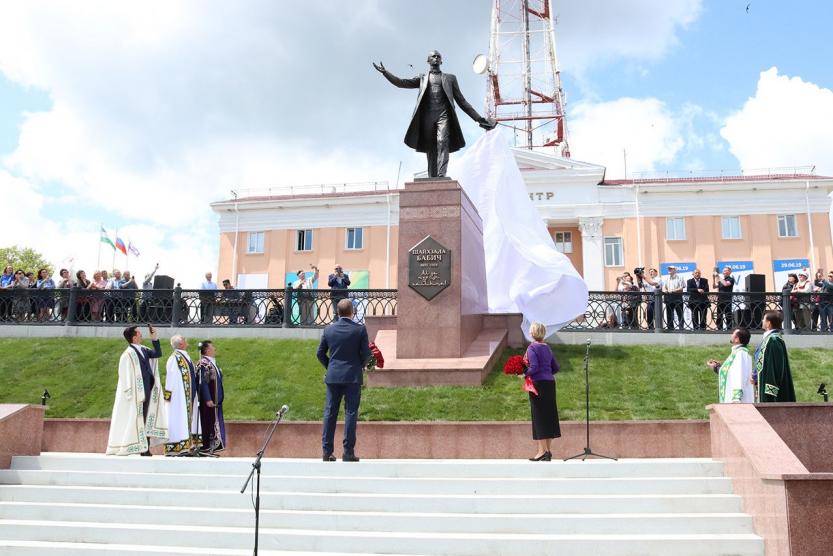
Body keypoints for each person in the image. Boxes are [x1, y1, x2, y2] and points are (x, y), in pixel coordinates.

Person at [373, 50, 495, 178]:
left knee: (442, 141)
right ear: (428, 61)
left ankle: (442, 175)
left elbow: (462, 101)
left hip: (443, 115)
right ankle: (432, 177)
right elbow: (401, 83)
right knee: (430, 148)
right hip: (427, 116)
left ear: (441, 61)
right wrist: (385, 73)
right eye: (433, 56)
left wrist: (479, 119)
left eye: (438, 56)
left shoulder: (450, 78)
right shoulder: (422, 78)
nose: (436, 58)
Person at [317, 298, 371, 462]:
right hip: (352, 377)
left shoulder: (328, 330)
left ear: (338, 312)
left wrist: (331, 367)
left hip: (333, 377)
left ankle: (327, 452)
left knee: (330, 413)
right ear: (352, 312)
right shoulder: (360, 330)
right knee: (350, 413)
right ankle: (348, 452)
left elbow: (320, 354)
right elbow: (367, 354)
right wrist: (359, 365)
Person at [106, 325, 168, 456]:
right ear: (134, 337)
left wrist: (154, 338)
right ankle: (141, 447)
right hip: (137, 393)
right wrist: (130, 392)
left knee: (146, 418)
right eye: (139, 333)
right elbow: (125, 375)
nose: (141, 335)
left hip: (148, 390)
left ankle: (145, 447)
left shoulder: (144, 350)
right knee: (138, 419)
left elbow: (158, 354)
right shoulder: (127, 354)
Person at [523, 322, 561, 461]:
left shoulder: (532, 348)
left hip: (538, 385)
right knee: (549, 416)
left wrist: (524, 373)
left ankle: (543, 452)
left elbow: (534, 367)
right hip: (550, 384)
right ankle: (547, 451)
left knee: (539, 417)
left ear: (532, 333)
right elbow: (555, 368)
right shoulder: (547, 348)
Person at [164, 335, 201, 456]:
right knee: (179, 420)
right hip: (179, 397)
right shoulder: (174, 359)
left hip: (189, 395)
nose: (187, 342)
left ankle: (188, 446)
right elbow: (171, 378)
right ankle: (179, 447)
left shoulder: (184, 356)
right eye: (185, 340)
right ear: (180, 344)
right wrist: (169, 395)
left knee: (187, 420)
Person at [753, 311, 796, 403]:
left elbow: (777, 368)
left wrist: (770, 391)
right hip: (763, 385)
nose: (762, 321)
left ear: (768, 323)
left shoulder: (774, 340)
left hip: (771, 393)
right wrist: (756, 378)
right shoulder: (770, 339)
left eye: (764, 319)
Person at [706, 328, 754, 403]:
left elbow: (739, 375)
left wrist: (736, 398)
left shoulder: (740, 354)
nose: (731, 335)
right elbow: (731, 372)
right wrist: (716, 367)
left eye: (733, 334)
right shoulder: (737, 352)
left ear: (737, 339)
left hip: (737, 401)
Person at [197, 340, 226, 454]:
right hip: (208, 402)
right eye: (212, 347)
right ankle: (205, 447)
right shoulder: (203, 364)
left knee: (213, 423)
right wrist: (208, 398)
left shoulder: (212, 363)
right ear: (207, 350)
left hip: (216, 401)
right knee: (207, 423)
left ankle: (211, 447)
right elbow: (203, 382)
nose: (214, 349)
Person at [714, 266, 735, 331]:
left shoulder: (731, 279)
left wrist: (718, 276)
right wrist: (714, 278)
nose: (724, 272)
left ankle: (729, 329)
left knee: (728, 315)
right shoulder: (721, 280)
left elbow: (725, 284)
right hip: (720, 299)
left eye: (726, 270)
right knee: (719, 315)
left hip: (727, 300)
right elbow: (714, 286)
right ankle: (720, 328)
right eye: (723, 271)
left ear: (729, 272)